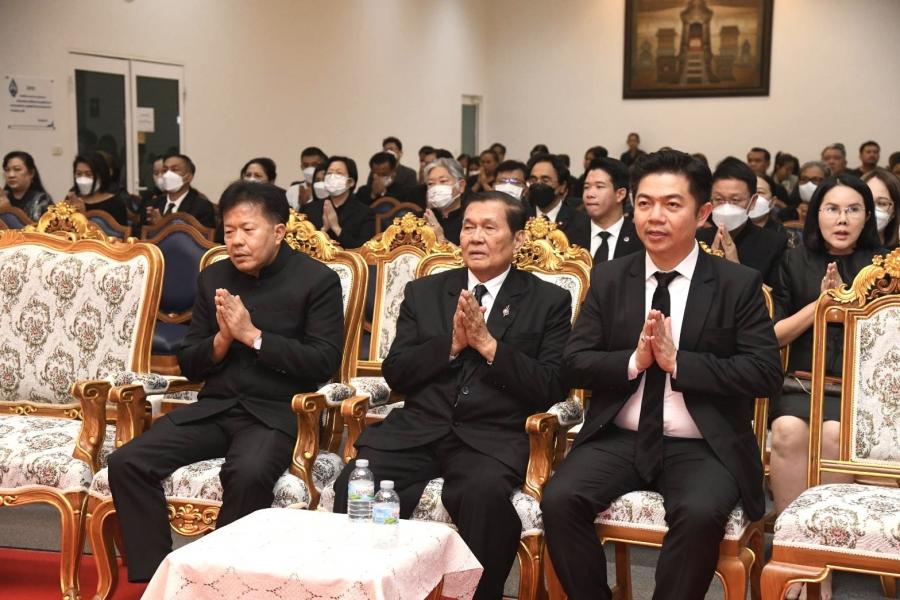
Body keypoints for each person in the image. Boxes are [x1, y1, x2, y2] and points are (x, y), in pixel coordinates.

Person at [542, 150, 782, 600]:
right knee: (559, 499)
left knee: (698, 513)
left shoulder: (736, 284)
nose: (655, 217)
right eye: (645, 203)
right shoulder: (610, 278)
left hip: (703, 443)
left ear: (703, 214)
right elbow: (572, 361)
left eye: (672, 205)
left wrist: (680, 363)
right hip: (620, 437)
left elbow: (765, 372)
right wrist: (633, 361)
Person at [333, 191, 572, 600]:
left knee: (484, 498)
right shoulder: (425, 292)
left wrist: (489, 345)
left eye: (489, 228)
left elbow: (550, 386)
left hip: (491, 437)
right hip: (417, 430)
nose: (475, 237)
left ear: (517, 239)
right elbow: (397, 373)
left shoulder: (548, 300)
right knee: (355, 485)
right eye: (468, 227)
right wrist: (452, 345)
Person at [108, 181, 343, 583]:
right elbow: (189, 362)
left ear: (278, 231)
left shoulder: (317, 280)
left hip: (273, 414)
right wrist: (221, 339)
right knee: (127, 461)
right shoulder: (214, 276)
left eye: (248, 230)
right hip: (215, 408)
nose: (236, 241)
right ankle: (160, 579)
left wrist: (253, 336)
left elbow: (321, 362)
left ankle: (223, 581)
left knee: (247, 473)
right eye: (229, 231)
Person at [768, 175, 883, 600]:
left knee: (834, 435)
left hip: (857, 391)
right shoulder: (793, 261)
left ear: (868, 217)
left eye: (853, 209)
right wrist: (822, 305)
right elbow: (774, 334)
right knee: (787, 431)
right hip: (800, 383)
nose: (842, 219)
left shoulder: (882, 267)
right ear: (816, 215)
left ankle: (824, 557)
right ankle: (794, 551)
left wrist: (848, 307)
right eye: (832, 209)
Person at [696, 157, 788, 287]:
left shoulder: (774, 244)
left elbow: (775, 298)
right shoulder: (697, 239)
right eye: (719, 199)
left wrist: (736, 267)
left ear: (753, 202)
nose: (726, 207)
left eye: (735, 200)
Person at [300, 156, 374, 249]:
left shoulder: (365, 213)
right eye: (329, 173)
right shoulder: (309, 209)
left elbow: (364, 249)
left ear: (350, 182)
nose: (332, 177)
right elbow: (302, 246)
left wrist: (336, 228)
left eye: (339, 173)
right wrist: (324, 230)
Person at [581, 157, 643, 264]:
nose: (589, 194)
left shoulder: (639, 239)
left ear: (620, 194)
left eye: (599, 187)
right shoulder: (567, 236)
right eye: (586, 187)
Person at [526, 153, 591, 248]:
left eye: (545, 180)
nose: (538, 184)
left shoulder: (581, 222)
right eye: (534, 180)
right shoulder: (520, 218)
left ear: (562, 186)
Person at [141, 153, 216, 230]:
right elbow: (138, 234)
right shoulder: (152, 205)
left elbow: (202, 236)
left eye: (174, 170)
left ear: (188, 177)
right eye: (165, 170)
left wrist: (162, 226)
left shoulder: (202, 207)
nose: (167, 175)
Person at [65, 153, 128, 225]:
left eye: (88, 174)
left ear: (101, 175)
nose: (83, 179)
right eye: (79, 174)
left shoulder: (115, 204)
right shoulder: (73, 200)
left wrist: (82, 215)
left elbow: (118, 231)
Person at [422, 157, 467, 245]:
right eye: (431, 183)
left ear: (461, 186)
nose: (436, 188)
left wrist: (440, 236)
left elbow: (467, 253)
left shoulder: (469, 219)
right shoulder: (422, 217)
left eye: (443, 181)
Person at [1, 151, 52, 221]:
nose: (11, 175)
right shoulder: (2, 198)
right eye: (7, 170)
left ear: (31, 173)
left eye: (17, 169)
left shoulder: (42, 200)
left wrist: (8, 210)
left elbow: (36, 228)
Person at [863, 168, 900, 249]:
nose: (872, 209)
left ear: (894, 212)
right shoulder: (839, 250)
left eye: (882, 203)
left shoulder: (897, 254)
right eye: (867, 201)